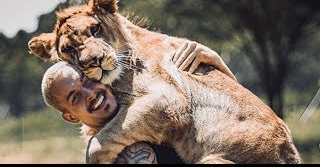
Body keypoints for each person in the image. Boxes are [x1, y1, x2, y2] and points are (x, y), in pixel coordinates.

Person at [41, 42, 236, 164]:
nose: (90, 94)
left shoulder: (146, 102)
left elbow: (235, 123)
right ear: (71, 117)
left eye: (89, 80)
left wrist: (215, 63)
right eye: (75, 97)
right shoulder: (118, 152)